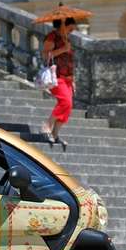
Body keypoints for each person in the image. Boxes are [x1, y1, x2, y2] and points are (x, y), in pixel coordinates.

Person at [41, 17, 77, 150]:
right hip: (56, 76)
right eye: (70, 28)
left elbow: (69, 61)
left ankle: (55, 133)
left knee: (68, 106)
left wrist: (72, 79)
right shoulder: (52, 37)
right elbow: (45, 56)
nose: (72, 31)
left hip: (67, 78)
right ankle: (47, 126)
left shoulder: (66, 39)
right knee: (65, 102)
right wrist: (63, 49)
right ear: (62, 25)